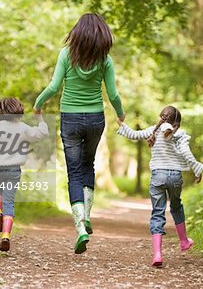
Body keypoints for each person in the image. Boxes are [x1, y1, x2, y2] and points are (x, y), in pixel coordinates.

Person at [34, 13, 125, 254]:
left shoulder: (66, 55)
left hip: (70, 118)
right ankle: (86, 216)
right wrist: (120, 113)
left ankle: (81, 227)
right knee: (88, 166)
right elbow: (113, 95)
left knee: (74, 173)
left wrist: (38, 103)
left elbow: (54, 86)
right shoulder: (105, 60)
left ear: (77, 33)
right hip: (96, 118)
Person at [117, 105, 203, 266]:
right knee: (176, 206)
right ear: (177, 121)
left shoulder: (153, 130)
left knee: (158, 212)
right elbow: (187, 154)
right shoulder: (180, 134)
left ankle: (157, 255)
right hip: (175, 176)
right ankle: (184, 241)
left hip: (158, 175)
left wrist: (121, 124)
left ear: (161, 116)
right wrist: (197, 170)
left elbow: (134, 135)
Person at [0, 97, 49, 252]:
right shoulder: (23, 127)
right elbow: (42, 133)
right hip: (14, 170)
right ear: (18, 110)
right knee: (9, 202)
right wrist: (40, 118)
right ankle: (5, 236)